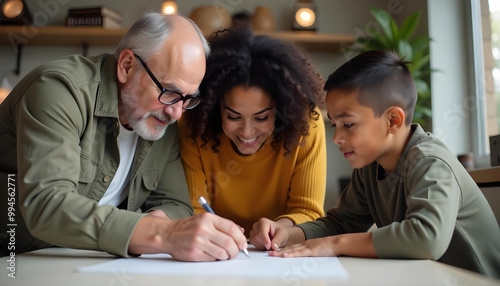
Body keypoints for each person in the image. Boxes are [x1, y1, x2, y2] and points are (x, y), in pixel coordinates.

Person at [0, 13, 248, 262]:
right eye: (170, 91)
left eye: (187, 98)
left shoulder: (163, 121)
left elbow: (176, 204)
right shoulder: (58, 90)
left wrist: (159, 221)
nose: (177, 112)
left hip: (88, 265)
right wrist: (162, 234)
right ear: (127, 65)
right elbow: (47, 206)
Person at [267, 50, 500, 278]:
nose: (336, 138)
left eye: (348, 124)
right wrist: (288, 234)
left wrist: (335, 244)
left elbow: (427, 238)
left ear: (393, 120)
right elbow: (342, 222)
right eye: (333, 125)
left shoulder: (430, 163)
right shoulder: (370, 166)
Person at [178, 24, 327, 250]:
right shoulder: (193, 125)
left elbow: (309, 211)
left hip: (278, 256)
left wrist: (282, 230)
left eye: (261, 117)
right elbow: (194, 209)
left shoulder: (307, 124)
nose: (247, 132)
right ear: (215, 108)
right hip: (214, 252)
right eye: (233, 116)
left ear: (280, 110)